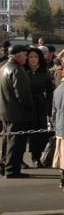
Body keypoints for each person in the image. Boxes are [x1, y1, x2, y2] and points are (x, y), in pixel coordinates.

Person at [0, 45, 35, 178]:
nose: (26, 57)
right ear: (19, 55)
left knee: (7, 141)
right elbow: (23, 94)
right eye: (25, 55)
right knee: (15, 142)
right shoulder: (17, 70)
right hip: (17, 113)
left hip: (6, 111)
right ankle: (12, 169)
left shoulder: (4, 67)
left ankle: (5, 165)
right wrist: (30, 107)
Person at [24, 47, 54, 168]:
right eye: (30, 57)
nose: (33, 59)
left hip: (40, 104)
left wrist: (47, 104)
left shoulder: (44, 72)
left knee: (39, 133)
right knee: (24, 132)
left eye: (35, 57)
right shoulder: (23, 71)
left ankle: (36, 157)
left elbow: (50, 90)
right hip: (25, 105)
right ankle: (19, 158)